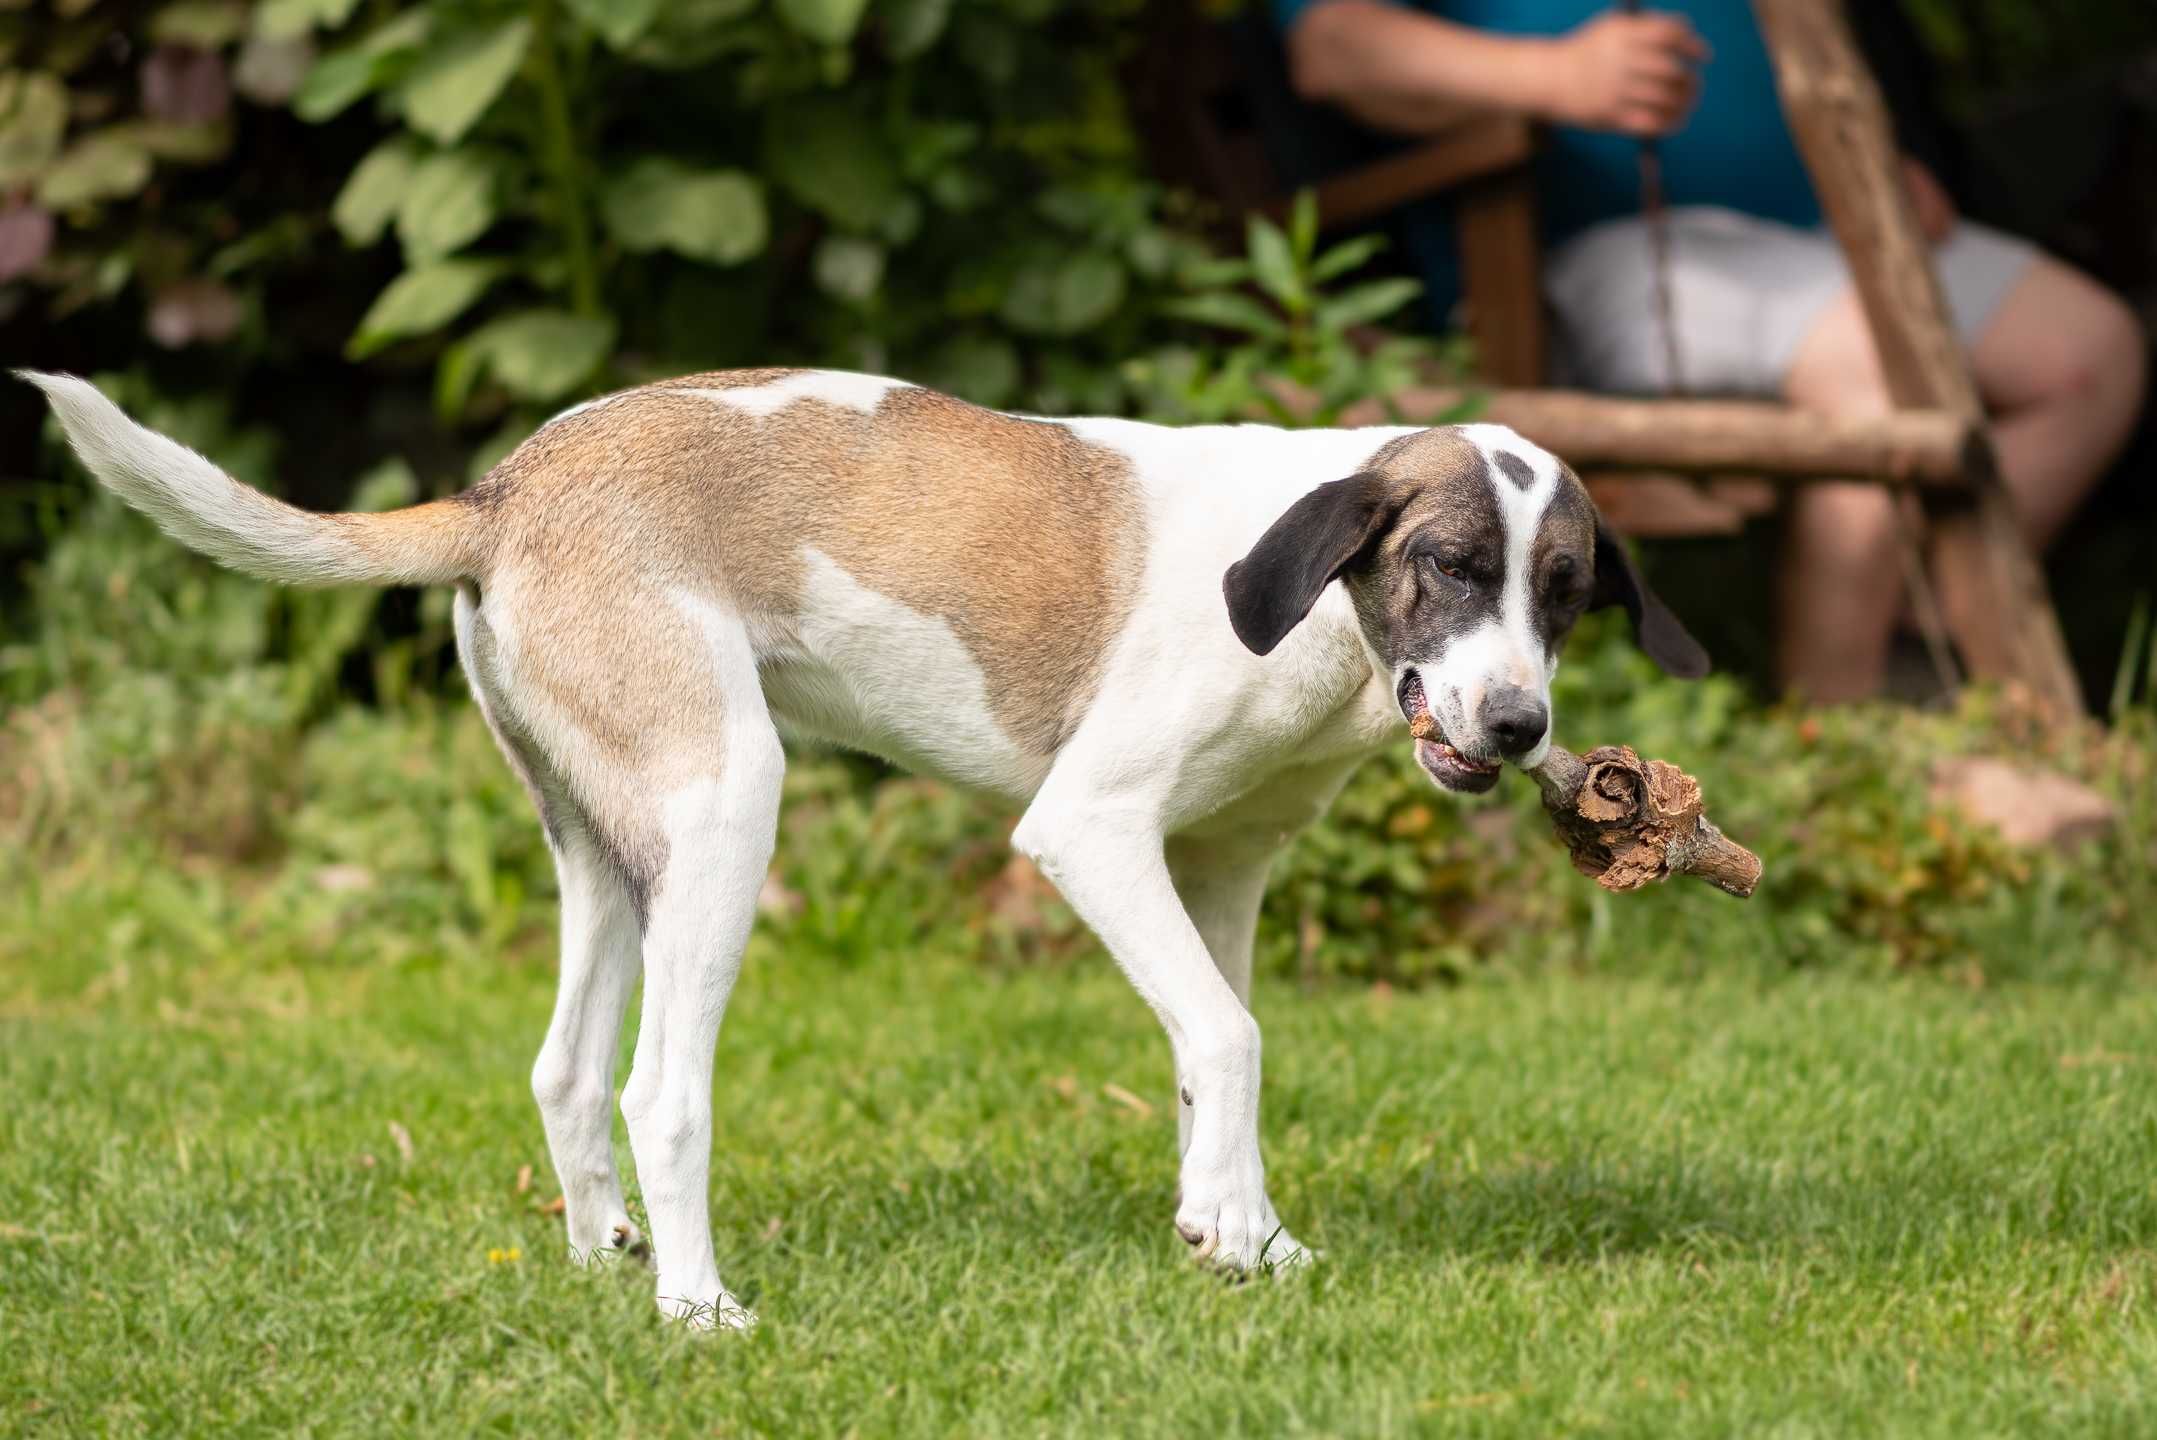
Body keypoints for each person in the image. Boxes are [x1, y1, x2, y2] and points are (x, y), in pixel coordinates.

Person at [1278, 0, 2146, 702]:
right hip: (1621, 247)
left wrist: (1885, 156)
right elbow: (1334, 43)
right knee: (1870, 371)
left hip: (1831, 221)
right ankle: (1839, 726)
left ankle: (1917, 635)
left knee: (2090, 352)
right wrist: (1553, 75)